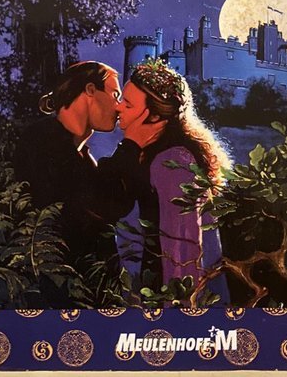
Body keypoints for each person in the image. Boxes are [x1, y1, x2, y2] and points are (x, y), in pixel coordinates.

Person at [13, 61, 164, 286]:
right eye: (115, 95)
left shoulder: (77, 151)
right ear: (90, 90)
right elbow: (99, 204)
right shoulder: (42, 142)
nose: (119, 107)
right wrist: (131, 145)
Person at [115, 58, 230, 300]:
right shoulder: (154, 154)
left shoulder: (172, 162)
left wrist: (180, 311)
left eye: (127, 104)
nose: (118, 108)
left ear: (154, 116)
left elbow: (183, 252)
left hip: (175, 300)